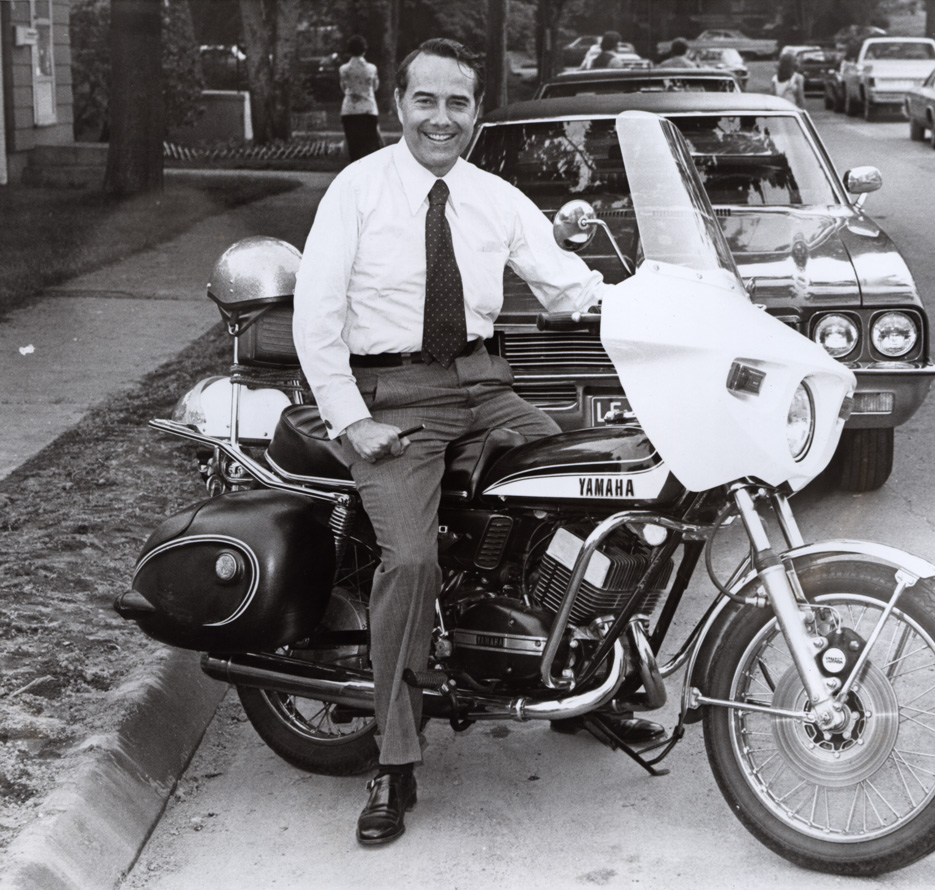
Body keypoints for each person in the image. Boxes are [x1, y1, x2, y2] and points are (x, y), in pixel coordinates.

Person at [292, 37, 664, 848]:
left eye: (457, 103)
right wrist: (352, 418)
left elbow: (568, 285)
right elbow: (315, 318)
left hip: (487, 388)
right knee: (411, 560)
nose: (441, 118)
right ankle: (394, 759)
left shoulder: (495, 197)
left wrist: (664, 303)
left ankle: (577, 685)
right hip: (395, 396)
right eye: (426, 100)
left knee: (597, 497)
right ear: (398, 105)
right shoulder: (357, 190)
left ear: (476, 113)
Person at [339, 34, 381, 161]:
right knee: (370, 148)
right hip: (368, 110)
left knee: (354, 148)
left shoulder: (343, 69)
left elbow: (343, 88)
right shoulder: (372, 68)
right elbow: (375, 87)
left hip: (349, 110)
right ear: (364, 49)